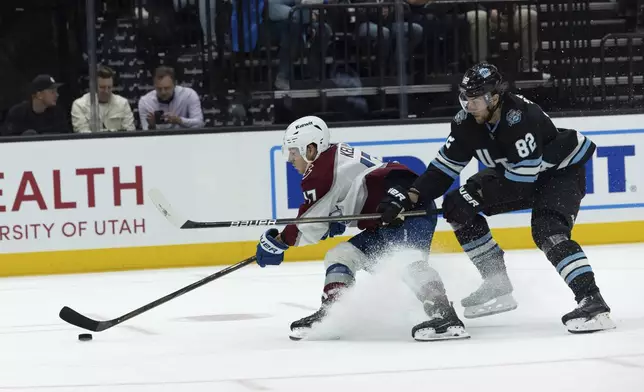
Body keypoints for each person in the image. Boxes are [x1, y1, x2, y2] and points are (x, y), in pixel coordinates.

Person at [379, 62, 616, 334]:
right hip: (517, 173)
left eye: (476, 100)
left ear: (494, 97)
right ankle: (497, 283)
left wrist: (476, 194)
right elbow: (443, 170)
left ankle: (593, 301)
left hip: (559, 174)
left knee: (548, 231)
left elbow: (522, 182)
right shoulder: (465, 122)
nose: (470, 106)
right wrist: (410, 196)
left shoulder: (519, 117)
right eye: (466, 99)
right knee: (457, 206)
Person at [254, 116, 469, 341]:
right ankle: (334, 314)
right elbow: (351, 193)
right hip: (387, 219)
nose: (290, 159)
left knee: (407, 260)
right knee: (341, 255)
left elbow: (308, 225)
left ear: (310, 148)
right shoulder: (333, 155)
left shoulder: (320, 172)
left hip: (408, 210)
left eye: (293, 152)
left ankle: (445, 316)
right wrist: (335, 219)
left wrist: (279, 242)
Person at [71, 65, 136, 132]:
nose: (106, 91)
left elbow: (130, 131)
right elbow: (82, 133)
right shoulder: (79, 105)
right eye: (102, 87)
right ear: (94, 87)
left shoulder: (123, 103)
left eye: (109, 87)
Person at [1, 74, 70, 136]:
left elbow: (66, 136)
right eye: (52, 92)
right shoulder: (18, 112)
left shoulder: (58, 112)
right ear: (39, 95)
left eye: (56, 91)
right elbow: (8, 139)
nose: (57, 95)